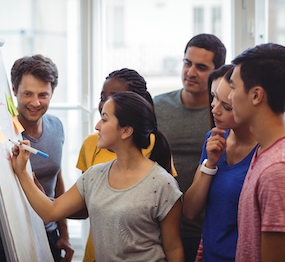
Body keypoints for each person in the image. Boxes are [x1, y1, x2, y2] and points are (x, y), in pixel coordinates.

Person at [11, 91, 185, 262]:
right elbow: (51, 211)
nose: (97, 126)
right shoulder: (94, 175)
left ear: (126, 131)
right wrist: (22, 173)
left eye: (105, 119)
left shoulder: (162, 184)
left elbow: (174, 248)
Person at [76, 68, 178, 262]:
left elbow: (167, 216)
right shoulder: (92, 144)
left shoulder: (154, 146)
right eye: (102, 97)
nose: (105, 104)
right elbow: (82, 206)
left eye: (115, 97)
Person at [153, 33, 226, 261]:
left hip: (206, 227)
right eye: (187, 63)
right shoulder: (157, 107)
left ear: (216, 72)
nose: (190, 72)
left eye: (201, 67)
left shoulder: (224, 115)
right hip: (158, 224)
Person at [183, 65, 258, 261]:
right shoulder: (214, 138)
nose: (214, 108)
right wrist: (210, 164)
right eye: (214, 97)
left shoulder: (265, 152)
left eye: (226, 106)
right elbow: (190, 211)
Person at [10, 54, 74, 262]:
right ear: (14, 92)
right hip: (9, 236)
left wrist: (64, 232)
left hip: (49, 232)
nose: (35, 102)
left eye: (43, 95)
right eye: (27, 93)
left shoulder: (56, 127)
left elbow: (57, 180)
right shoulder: (4, 135)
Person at [229, 43, 285, 261]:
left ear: (256, 95)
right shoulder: (263, 150)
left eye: (233, 88)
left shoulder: (276, 170)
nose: (229, 97)